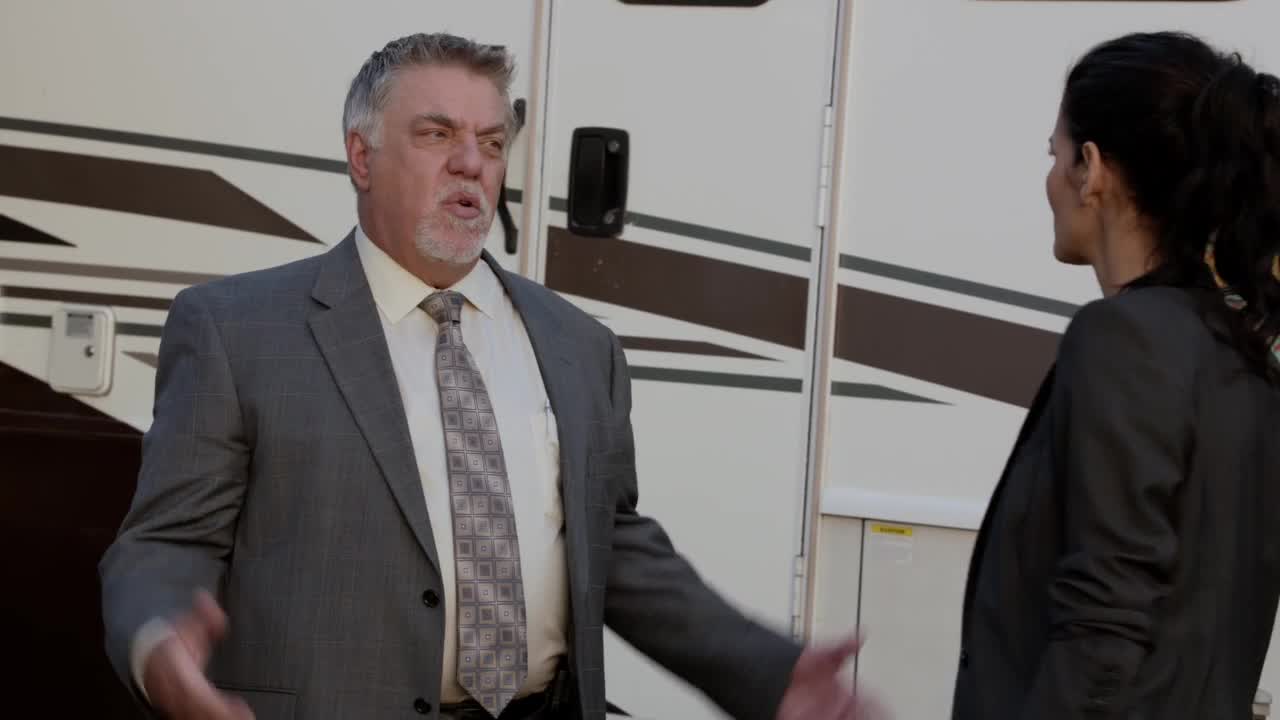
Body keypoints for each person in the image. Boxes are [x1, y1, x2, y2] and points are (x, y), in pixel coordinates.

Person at [98, 32, 881, 720]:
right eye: (437, 133)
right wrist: (159, 644)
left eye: (492, 141)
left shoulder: (579, 347)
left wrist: (764, 673)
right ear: (362, 157)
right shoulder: (237, 331)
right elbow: (167, 541)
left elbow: (610, 545)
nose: (471, 163)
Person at [952, 30, 1280, 719]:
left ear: (1092, 170)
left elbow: (1103, 628)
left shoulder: (1122, 339)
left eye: (1056, 155)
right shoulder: (1243, 349)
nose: (1051, 180)